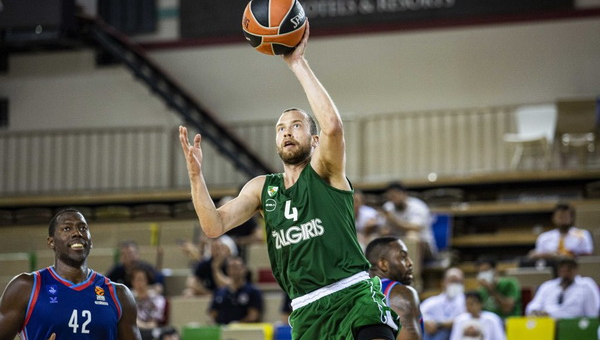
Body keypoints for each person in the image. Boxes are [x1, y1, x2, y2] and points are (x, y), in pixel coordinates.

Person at [179, 23, 398, 340]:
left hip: (354, 296)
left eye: (297, 125)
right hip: (307, 311)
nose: (287, 132)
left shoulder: (325, 169)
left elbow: (334, 127)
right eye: (281, 128)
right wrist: (196, 177)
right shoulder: (261, 188)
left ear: (313, 138)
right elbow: (213, 226)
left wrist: (297, 62)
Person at [0, 208, 141, 340]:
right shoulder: (25, 287)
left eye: (83, 228)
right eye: (67, 228)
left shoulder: (119, 294)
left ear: (91, 242)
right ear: (51, 242)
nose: (77, 233)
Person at [365, 236, 423, 340]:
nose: (410, 263)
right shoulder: (401, 293)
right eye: (403, 257)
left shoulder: (357, 292)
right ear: (383, 264)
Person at [525, 257, 600, 318]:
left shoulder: (586, 285)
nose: (566, 272)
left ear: (575, 270)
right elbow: (532, 306)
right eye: (563, 268)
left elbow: (593, 312)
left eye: (569, 269)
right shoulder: (547, 286)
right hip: (549, 325)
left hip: (574, 325)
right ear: (558, 270)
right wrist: (536, 312)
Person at [381, 182, 437, 261]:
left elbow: (415, 228)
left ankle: (412, 271)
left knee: (411, 236)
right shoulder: (388, 207)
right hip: (397, 245)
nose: (393, 199)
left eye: (395, 196)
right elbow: (383, 228)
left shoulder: (418, 206)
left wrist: (393, 220)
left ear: (404, 194)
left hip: (423, 245)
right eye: (391, 197)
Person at [529, 203, 594, 260]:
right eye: (560, 217)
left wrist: (567, 255)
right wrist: (551, 256)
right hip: (552, 266)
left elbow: (588, 255)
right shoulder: (544, 237)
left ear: (571, 218)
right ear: (553, 218)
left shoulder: (582, 234)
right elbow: (538, 256)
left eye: (565, 217)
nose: (562, 220)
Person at [209, 256, 263, 324]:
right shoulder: (219, 292)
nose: (234, 271)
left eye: (236, 268)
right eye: (230, 268)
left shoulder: (253, 291)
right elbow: (212, 315)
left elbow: (253, 316)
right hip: (222, 329)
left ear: (244, 269)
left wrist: (236, 326)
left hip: (244, 331)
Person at [420, 268, 466, 340]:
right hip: (431, 333)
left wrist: (440, 324)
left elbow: (465, 320)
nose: (455, 284)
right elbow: (418, 314)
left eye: (458, 282)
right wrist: (426, 322)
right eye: (452, 281)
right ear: (443, 282)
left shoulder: (466, 302)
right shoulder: (432, 301)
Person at [130, 266, 167, 340]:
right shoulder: (129, 299)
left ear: (147, 280)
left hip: (150, 331)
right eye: (136, 280)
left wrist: (139, 324)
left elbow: (154, 324)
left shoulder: (157, 299)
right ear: (132, 282)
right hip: (133, 331)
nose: (138, 283)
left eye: (141, 279)